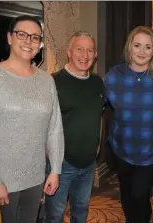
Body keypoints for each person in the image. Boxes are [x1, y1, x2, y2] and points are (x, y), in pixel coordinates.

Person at [0, 15, 64, 223]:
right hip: (2, 180)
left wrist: (55, 169)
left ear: (40, 45)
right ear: (9, 38)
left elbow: (55, 128)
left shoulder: (46, 80)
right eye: (22, 34)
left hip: (35, 177)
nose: (28, 41)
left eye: (35, 37)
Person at [104, 26, 153, 223]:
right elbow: (96, 102)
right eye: (137, 45)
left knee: (139, 193)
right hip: (122, 148)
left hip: (152, 149)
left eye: (148, 47)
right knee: (126, 193)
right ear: (129, 48)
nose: (142, 52)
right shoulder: (113, 77)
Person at [44, 31, 105, 223]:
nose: (85, 55)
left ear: (95, 55)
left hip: (88, 164)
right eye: (79, 49)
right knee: (55, 215)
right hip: (61, 164)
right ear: (69, 52)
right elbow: (43, 122)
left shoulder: (97, 82)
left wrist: (97, 144)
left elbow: (99, 116)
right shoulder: (53, 82)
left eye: (90, 50)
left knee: (81, 212)